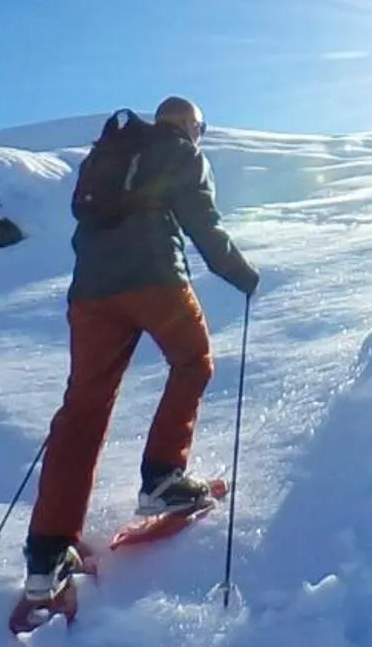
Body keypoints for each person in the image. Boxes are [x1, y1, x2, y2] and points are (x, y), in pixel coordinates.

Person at [23, 95, 260, 602]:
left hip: (90, 295)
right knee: (192, 362)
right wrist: (240, 274)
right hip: (155, 280)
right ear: (191, 125)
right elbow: (203, 221)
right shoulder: (181, 151)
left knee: (84, 406)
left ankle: (46, 550)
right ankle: (162, 478)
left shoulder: (109, 154)